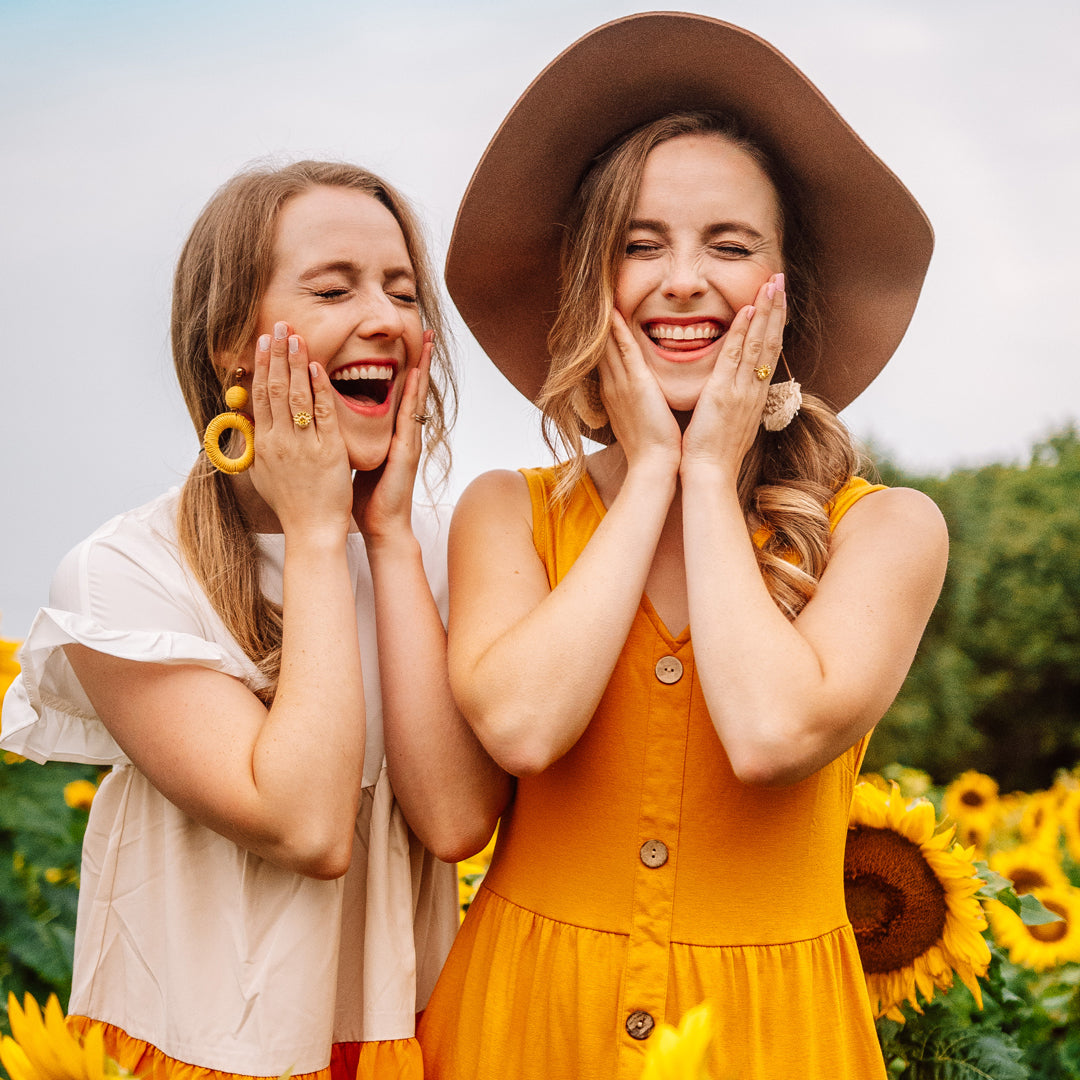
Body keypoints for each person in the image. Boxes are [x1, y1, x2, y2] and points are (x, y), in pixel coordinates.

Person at [416, 14, 947, 1080]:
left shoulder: (887, 530)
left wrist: (708, 471)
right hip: (523, 1026)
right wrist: (652, 469)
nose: (684, 280)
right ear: (591, 285)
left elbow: (768, 730)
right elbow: (520, 725)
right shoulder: (504, 513)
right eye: (640, 245)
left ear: (785, 290)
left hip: (770, 1040)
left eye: (730, 246)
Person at [0, 160, 508, 1080]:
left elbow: (456, 822)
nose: (386, 319)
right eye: (333, 288)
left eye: (402, 291)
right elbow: (307, 827)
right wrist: (318, 533)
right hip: (207, 1059)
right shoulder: (126, 574)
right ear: (234, 339)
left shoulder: (439, 548)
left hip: (418, 1043)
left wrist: (384, 536)